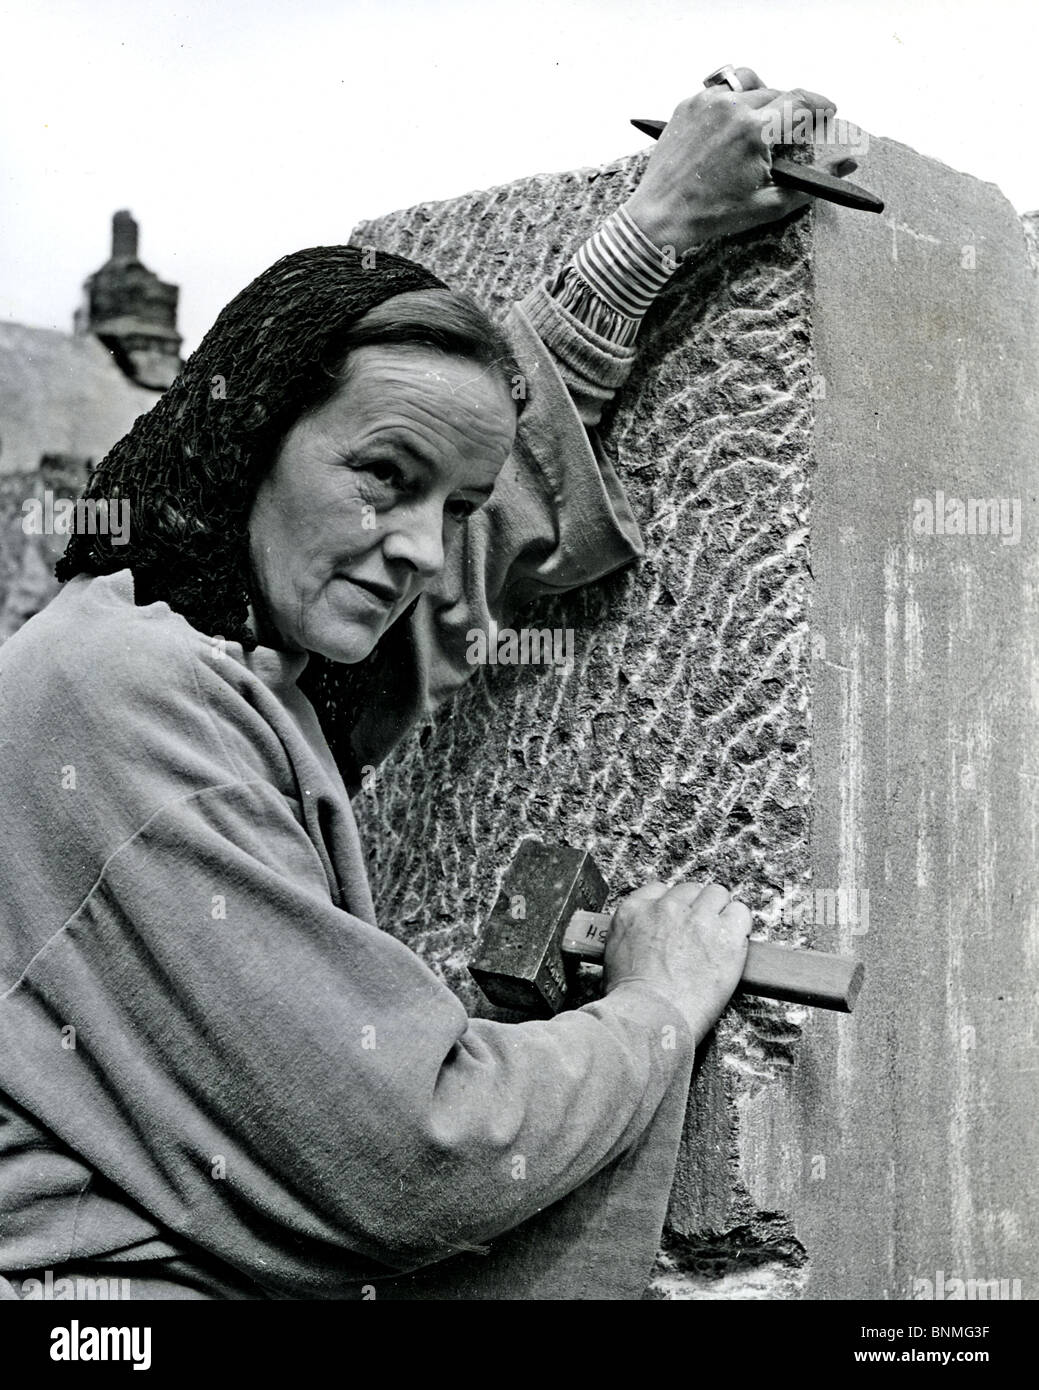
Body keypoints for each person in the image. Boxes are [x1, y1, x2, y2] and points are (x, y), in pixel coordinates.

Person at [0, 72, 857, 1300]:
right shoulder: (125, 695)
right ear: (248, 444)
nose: (419, 547)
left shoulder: (228, 652)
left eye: (445, 505)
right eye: (384, 477)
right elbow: (415, 1148)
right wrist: (660, 1001)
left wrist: (656, 233)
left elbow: (473, 526)